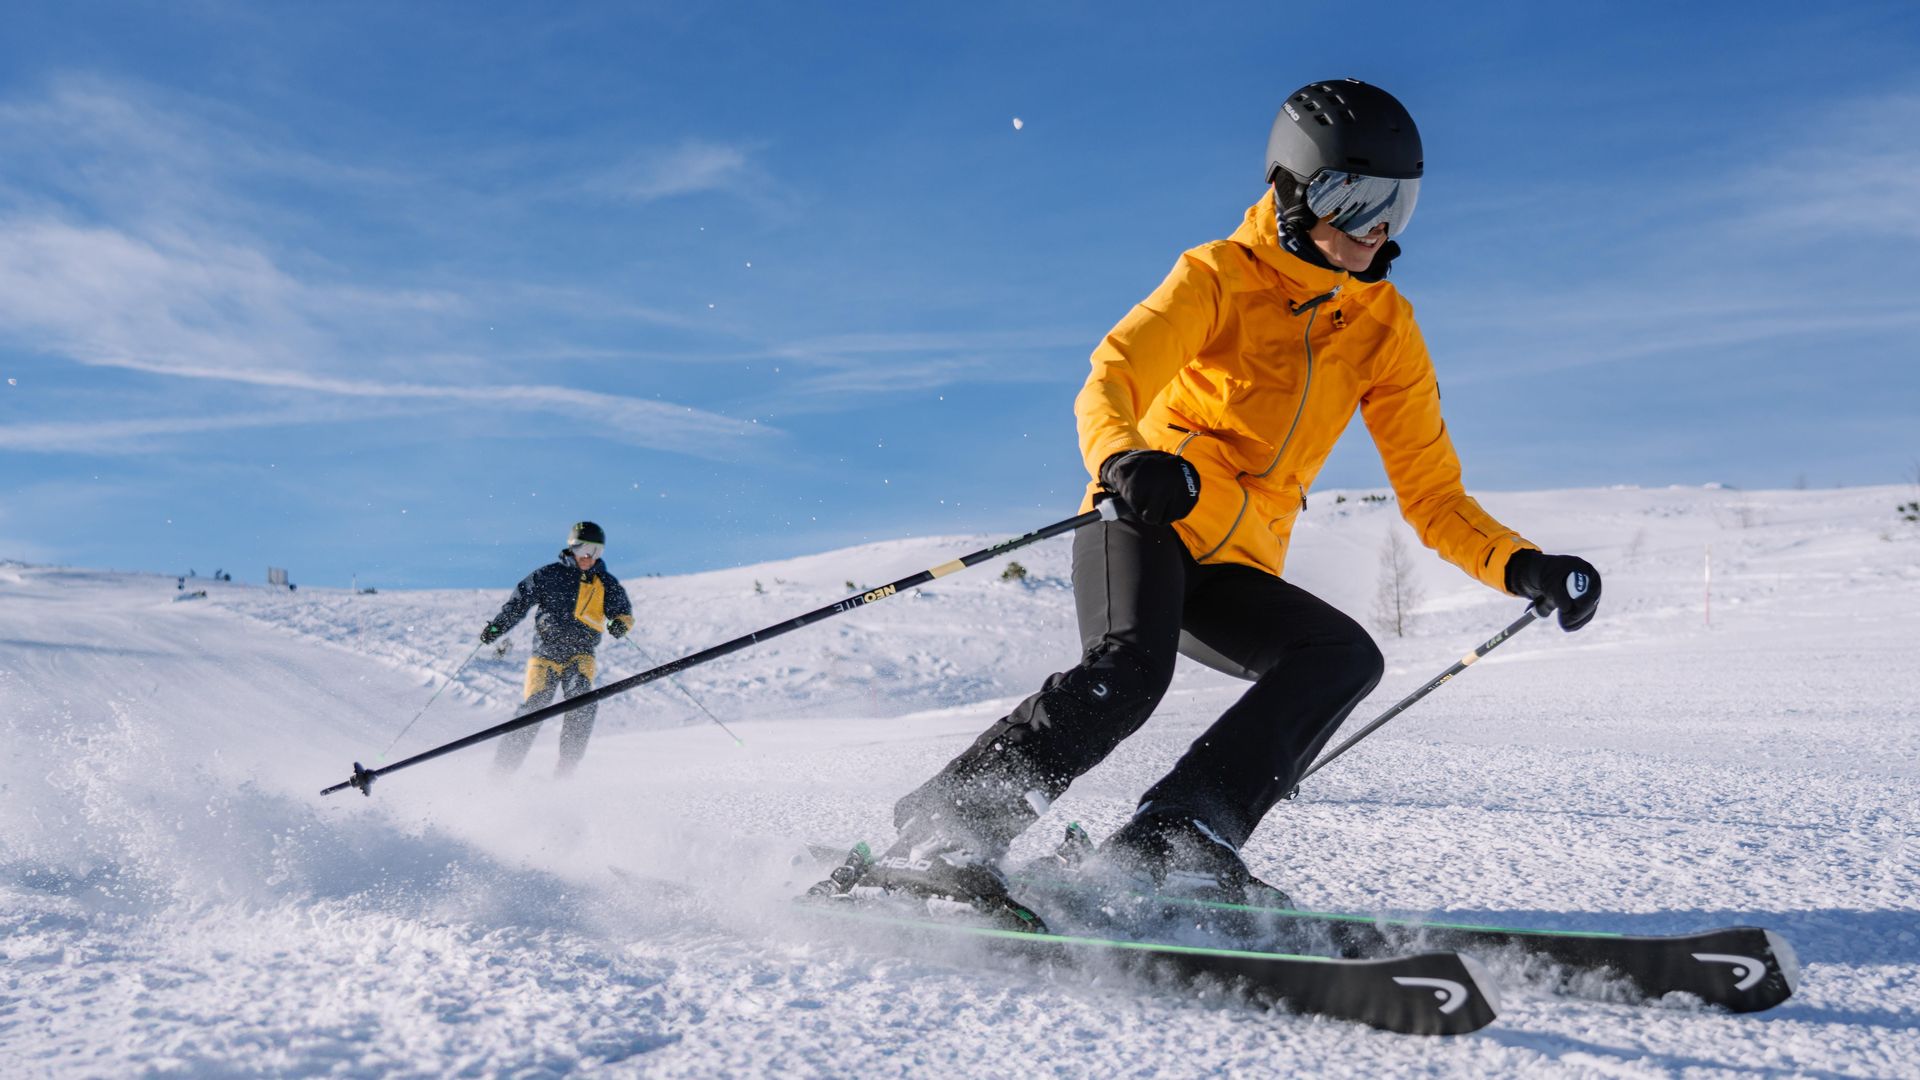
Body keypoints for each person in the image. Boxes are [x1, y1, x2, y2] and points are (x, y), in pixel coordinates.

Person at [859, 79, 1602, 905]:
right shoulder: (1219, 275)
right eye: (1355, 199)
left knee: (1340, 658)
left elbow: (1432, 494)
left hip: (1235, 560)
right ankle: (947, 832)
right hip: (1145, 517)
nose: (1379, 228)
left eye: (1400, 204)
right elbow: (1113, 375)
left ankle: (1175, 838)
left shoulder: (1385, 330)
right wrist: (1123, 461)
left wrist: (1522, 566)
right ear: (1291, 189)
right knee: (1132, 671)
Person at [480, 521, 635, 777]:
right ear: (572, 547)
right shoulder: (548, 575)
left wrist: (620, 624)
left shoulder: (604, 582)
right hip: (546, 656)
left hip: (581, 656)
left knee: (583, 703)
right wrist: (497, 627)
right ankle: (501, 771)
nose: (589, 556)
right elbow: (518, 604)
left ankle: (564, 772)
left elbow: (622, 612)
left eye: (596, 551)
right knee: (536, 705)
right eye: (584, 548)